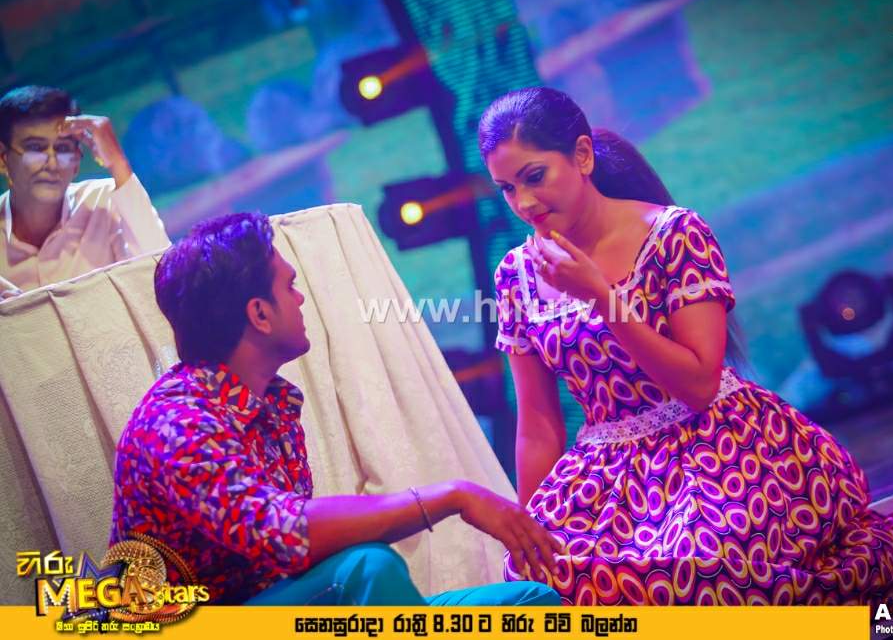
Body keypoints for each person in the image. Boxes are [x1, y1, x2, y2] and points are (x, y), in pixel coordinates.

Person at [480, 86, 893, 605]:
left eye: (534, 177)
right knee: (544, 579)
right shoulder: (516, 275)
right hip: (610, 479)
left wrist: (600, 297)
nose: (524, 203)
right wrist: (529, 529)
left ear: (583, 155)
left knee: (698, 569)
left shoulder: (674, 233)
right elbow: (538, 424)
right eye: (507, 189)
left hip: (719, 451)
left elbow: (700, 384)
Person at [109, 211, 560, 607]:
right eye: (289, 286)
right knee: (366, 569)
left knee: (528, 602)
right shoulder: (176, 425)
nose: (300, 298)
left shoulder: (273, 402)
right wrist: (451, 497)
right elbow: (287, 534)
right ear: (260, 314)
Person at [0, 85, 169, 299]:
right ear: (3, 159)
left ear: (77, 161)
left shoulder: (104, 201)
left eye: (63, 149)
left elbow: (163, 272)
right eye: (35, 148)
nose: (52, 164)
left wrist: (117, 163)